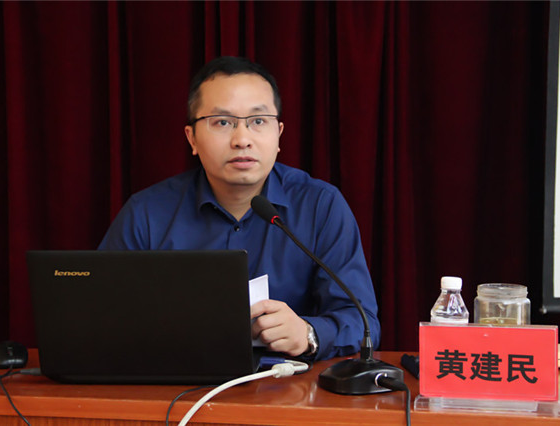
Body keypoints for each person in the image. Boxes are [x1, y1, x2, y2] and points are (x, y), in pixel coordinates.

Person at [99, 56, 380, 360]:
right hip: (176, 380)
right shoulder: (147, 213)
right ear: (192, 138)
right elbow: (101, 314)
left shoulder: (320, 206)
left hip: (288, 382)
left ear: (279, 134)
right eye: (222, 122)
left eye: (258, 121)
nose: (242, 139)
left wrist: (309, 333)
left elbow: (362, 321)